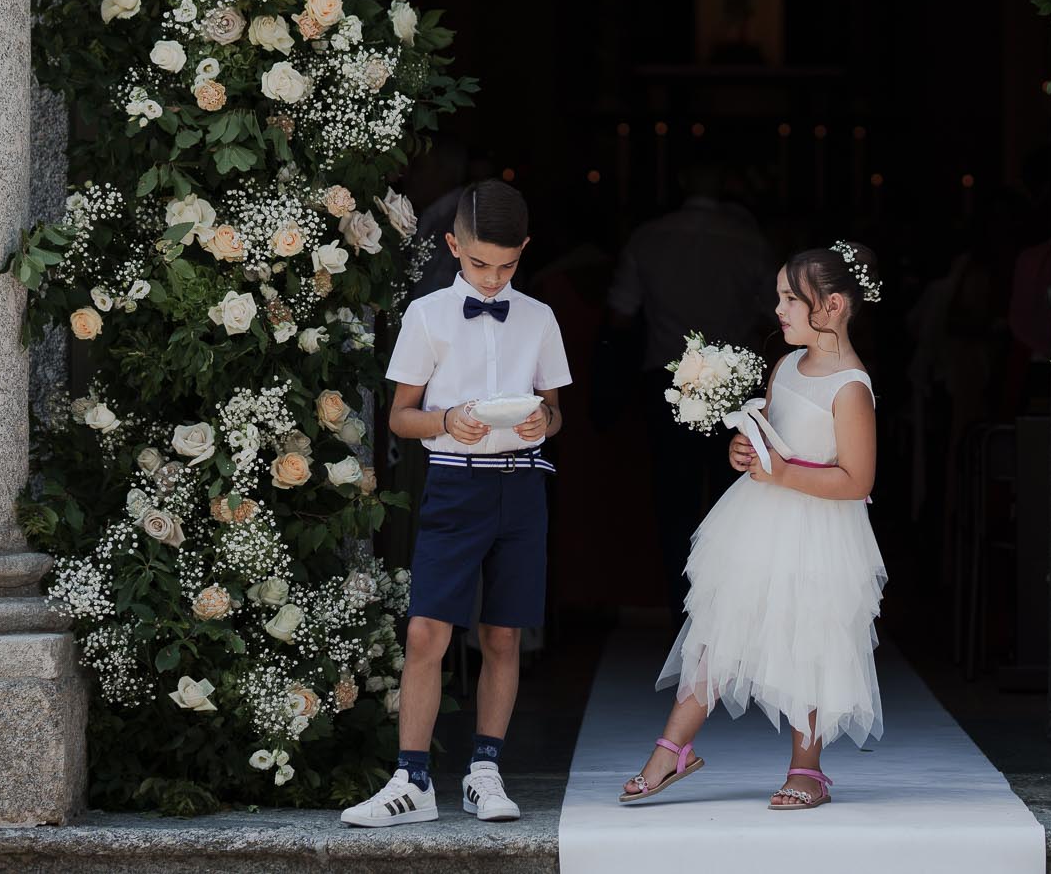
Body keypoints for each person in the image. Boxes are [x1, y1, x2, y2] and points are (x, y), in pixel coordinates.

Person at [618, 241, 886, 812]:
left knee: (810, 639)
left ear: (833, 305)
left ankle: (807, 768)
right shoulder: (787, 364)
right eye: (780, 298)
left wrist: (784, 473)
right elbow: (771, 430)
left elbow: (858, 480)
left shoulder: (851, 387)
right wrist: (746, 447)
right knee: (719, 630)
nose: (780, 310)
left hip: (819, 527)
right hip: (760, 518)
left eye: (792, 299)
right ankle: (672, 750)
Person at [341, 180, 572, 827]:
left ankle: (485, 771)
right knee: (426, 629)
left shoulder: (539, 317)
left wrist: (542, 424)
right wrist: (447, 418)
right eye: (479, 264)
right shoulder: (427, 316)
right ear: (453, 246)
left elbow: (555, 411)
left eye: (507, 264)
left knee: (504, 632)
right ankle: (411, 779)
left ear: (523, 250)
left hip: (523, 486)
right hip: (453, 482)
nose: (494, 279)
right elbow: (400, 417)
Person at [606, 162, 777, 625]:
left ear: (682, 182)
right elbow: (772, 314)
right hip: (736, 381)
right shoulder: (749, 241)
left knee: (675, 498)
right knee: (736, 497)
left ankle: (682, 608)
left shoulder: (648, 237)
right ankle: (730, 610)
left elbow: (621, 313)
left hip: (671, 377)